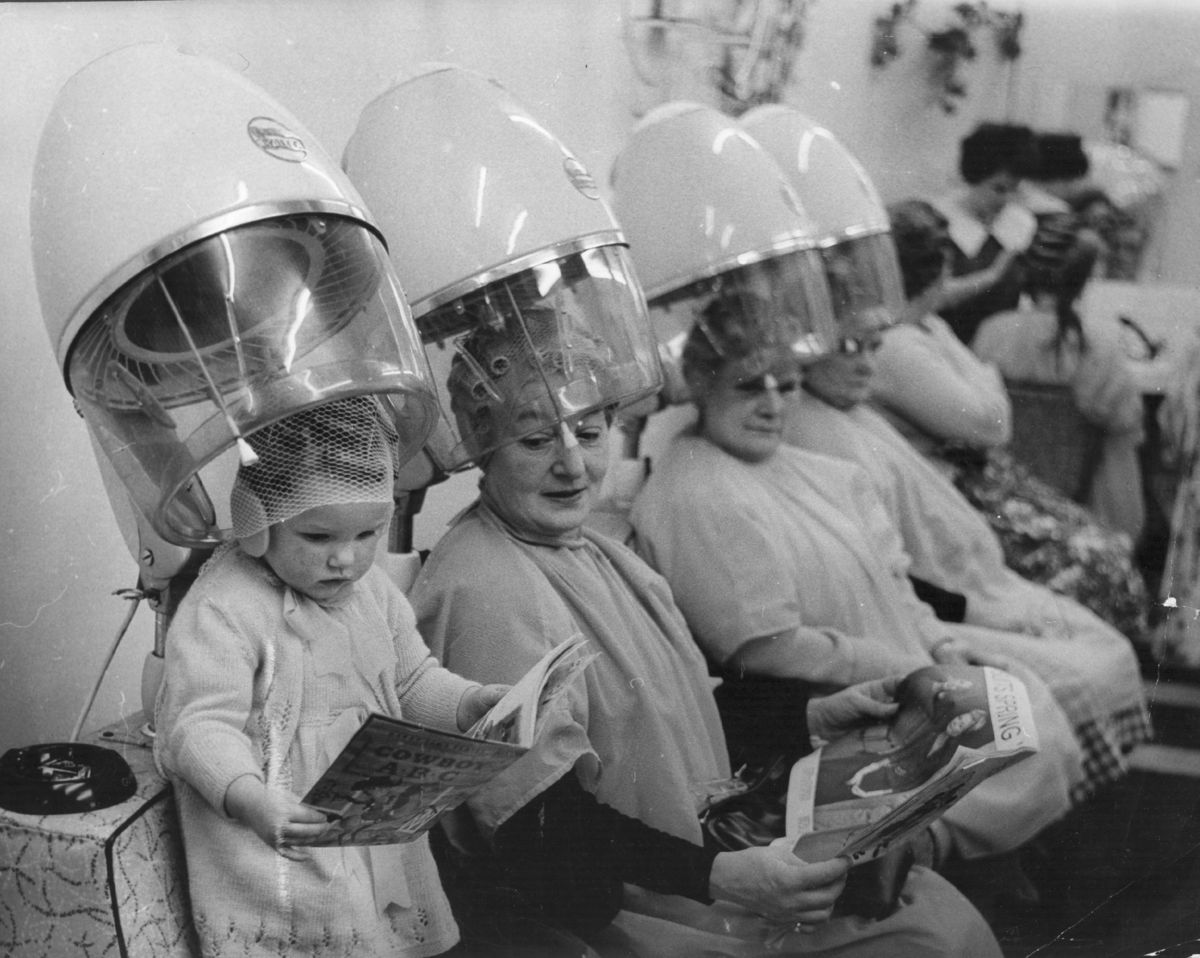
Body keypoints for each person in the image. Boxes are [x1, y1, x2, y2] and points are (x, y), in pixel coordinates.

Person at [409, 302, 1003, 957]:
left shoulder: (597, 550)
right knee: (930, 942)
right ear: (483, 442)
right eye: (535, 438)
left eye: (591, 429)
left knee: (940, 914)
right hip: (631, 910)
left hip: (693, 864)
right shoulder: (484, 588)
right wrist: (722, 876)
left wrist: (810, 714)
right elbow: (538, 825)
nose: (574, 465)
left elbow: (668, 711)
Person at [630, 291, 1086, 868]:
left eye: (788, 383)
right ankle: (947, 864)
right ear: (701, 381)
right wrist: (903, 669)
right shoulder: (696, 491)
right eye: (749, 385)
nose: (773, 405)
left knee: (1029, 702)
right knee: (1021, 737)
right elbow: (765, 646)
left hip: (907, 674)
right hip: (840, 714)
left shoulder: (826, 474)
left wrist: (943, 645)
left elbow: (894, 584)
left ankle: (982, 869)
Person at [154, 396, 508, 958]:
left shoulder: (371, 592)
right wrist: (249, 797)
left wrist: (469, 703)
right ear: (258, 523)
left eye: (368, 534)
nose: (346, 560)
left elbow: (413, 679)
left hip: (371, 832)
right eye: (318, 538)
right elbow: (197, 728)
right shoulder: (224, 608)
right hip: (281, 841)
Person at [787, 300, 1150, 805]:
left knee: (1103, 645)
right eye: (848, 350)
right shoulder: (806, 430)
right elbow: (884, 576)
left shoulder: (855, 413)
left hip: (952, 597)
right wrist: (971, 613)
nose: (867, 365)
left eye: (872, 350)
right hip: (924, 614)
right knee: (1079, 669)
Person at [872, 198, 1152, 643]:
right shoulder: (1098, 348)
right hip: (1001, 487)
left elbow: (987, 394)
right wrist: (988, 387)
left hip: (1006, 477)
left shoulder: (987, 331)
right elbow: (996, 418)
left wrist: (989, 384)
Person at [972, 219, 1147, 543]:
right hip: (1083, 506)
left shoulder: (992, 332)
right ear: (1083, 281)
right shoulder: (1098, 346)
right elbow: (1125, 424)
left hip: (1003, 496)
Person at [931, 122, 1040, 345]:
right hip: (945, 344)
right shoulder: (938, 221)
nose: (1007, 199)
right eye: (999, 188)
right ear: (974, 178)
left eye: (1015, 189)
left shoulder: (1021, 223)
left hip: (999, 346)